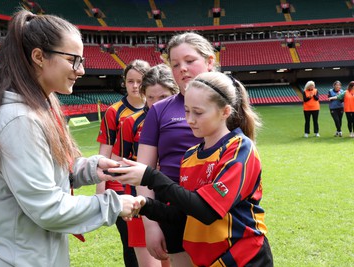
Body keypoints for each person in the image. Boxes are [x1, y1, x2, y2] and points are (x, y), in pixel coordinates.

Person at [0, 10, 141, 267]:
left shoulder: (37, 106)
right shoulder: (20, 118)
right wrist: (114, 205)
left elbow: (46, 172)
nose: (80, 70)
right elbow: (47, 207)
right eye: (73, 60)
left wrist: (91, 167)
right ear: (38, 56)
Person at [112, 71, 273, 267]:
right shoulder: (190, 156)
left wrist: (150, 176)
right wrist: (144, 204)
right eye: (186, 111)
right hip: (206, 261)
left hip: (245, 258)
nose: (189, 120)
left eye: (198, 112)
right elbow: (184, 213)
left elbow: (207, 210)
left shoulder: (240, 148)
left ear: (225, 112)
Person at [136, 32, 218, 266]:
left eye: (190, 61)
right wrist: (150, 225)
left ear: (209, 61)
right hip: (174, 211)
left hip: (221, 210)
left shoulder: (229, 103)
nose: (182, 68)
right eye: (175, 64)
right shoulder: (159, 110)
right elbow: (143, 172)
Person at [111, 64, 179, 267]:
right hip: (140, 203)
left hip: (174, 203)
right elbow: (118, 164)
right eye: (150, 97)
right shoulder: (130, 123)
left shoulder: (185, 121)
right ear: (143, 95)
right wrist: (123, 199)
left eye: (163, 97)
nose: (156, 104)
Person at [96, 59, 150, 267]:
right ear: (124, 83)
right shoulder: (114, 111)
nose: (135, 86)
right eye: (130, 81)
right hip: (120, 187)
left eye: (140, 81)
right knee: (130, 244)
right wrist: (100, 191)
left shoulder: (156, 108)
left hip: (147, 184)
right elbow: (105, 152)